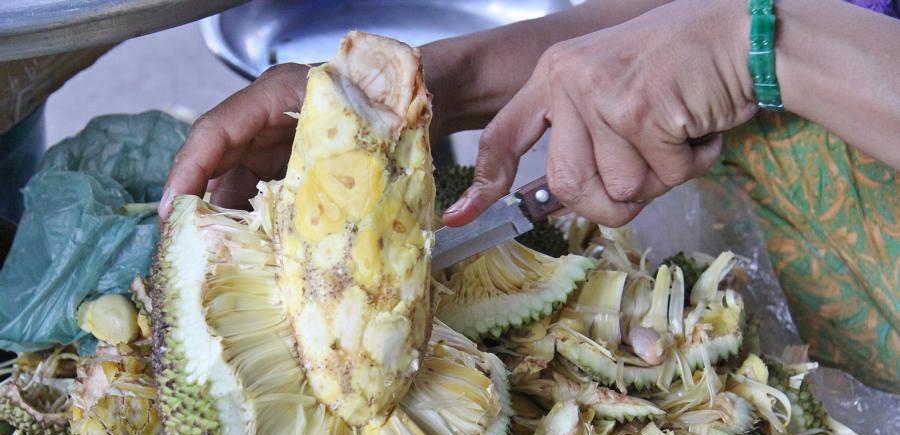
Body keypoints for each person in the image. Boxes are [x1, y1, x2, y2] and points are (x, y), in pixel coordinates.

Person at [159, 0, 899, 391]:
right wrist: (413, 95)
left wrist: (763, 48)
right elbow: (691, 11)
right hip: (780, 303)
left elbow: (741, 26)